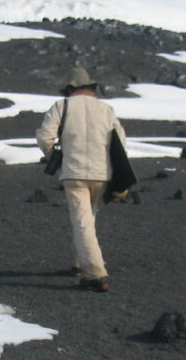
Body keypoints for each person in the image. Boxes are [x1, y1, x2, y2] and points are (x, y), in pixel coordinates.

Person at [36, 67, 127, 293]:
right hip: (101, 173)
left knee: (82, 222)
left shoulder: (62, 106)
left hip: (74, 173)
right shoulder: (107, 110)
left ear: (71, 88)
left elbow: (45, 137)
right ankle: (79, 264)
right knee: (88, 219)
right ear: (91, 88)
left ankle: (96, 274)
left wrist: (56, 158)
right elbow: (120, 144)